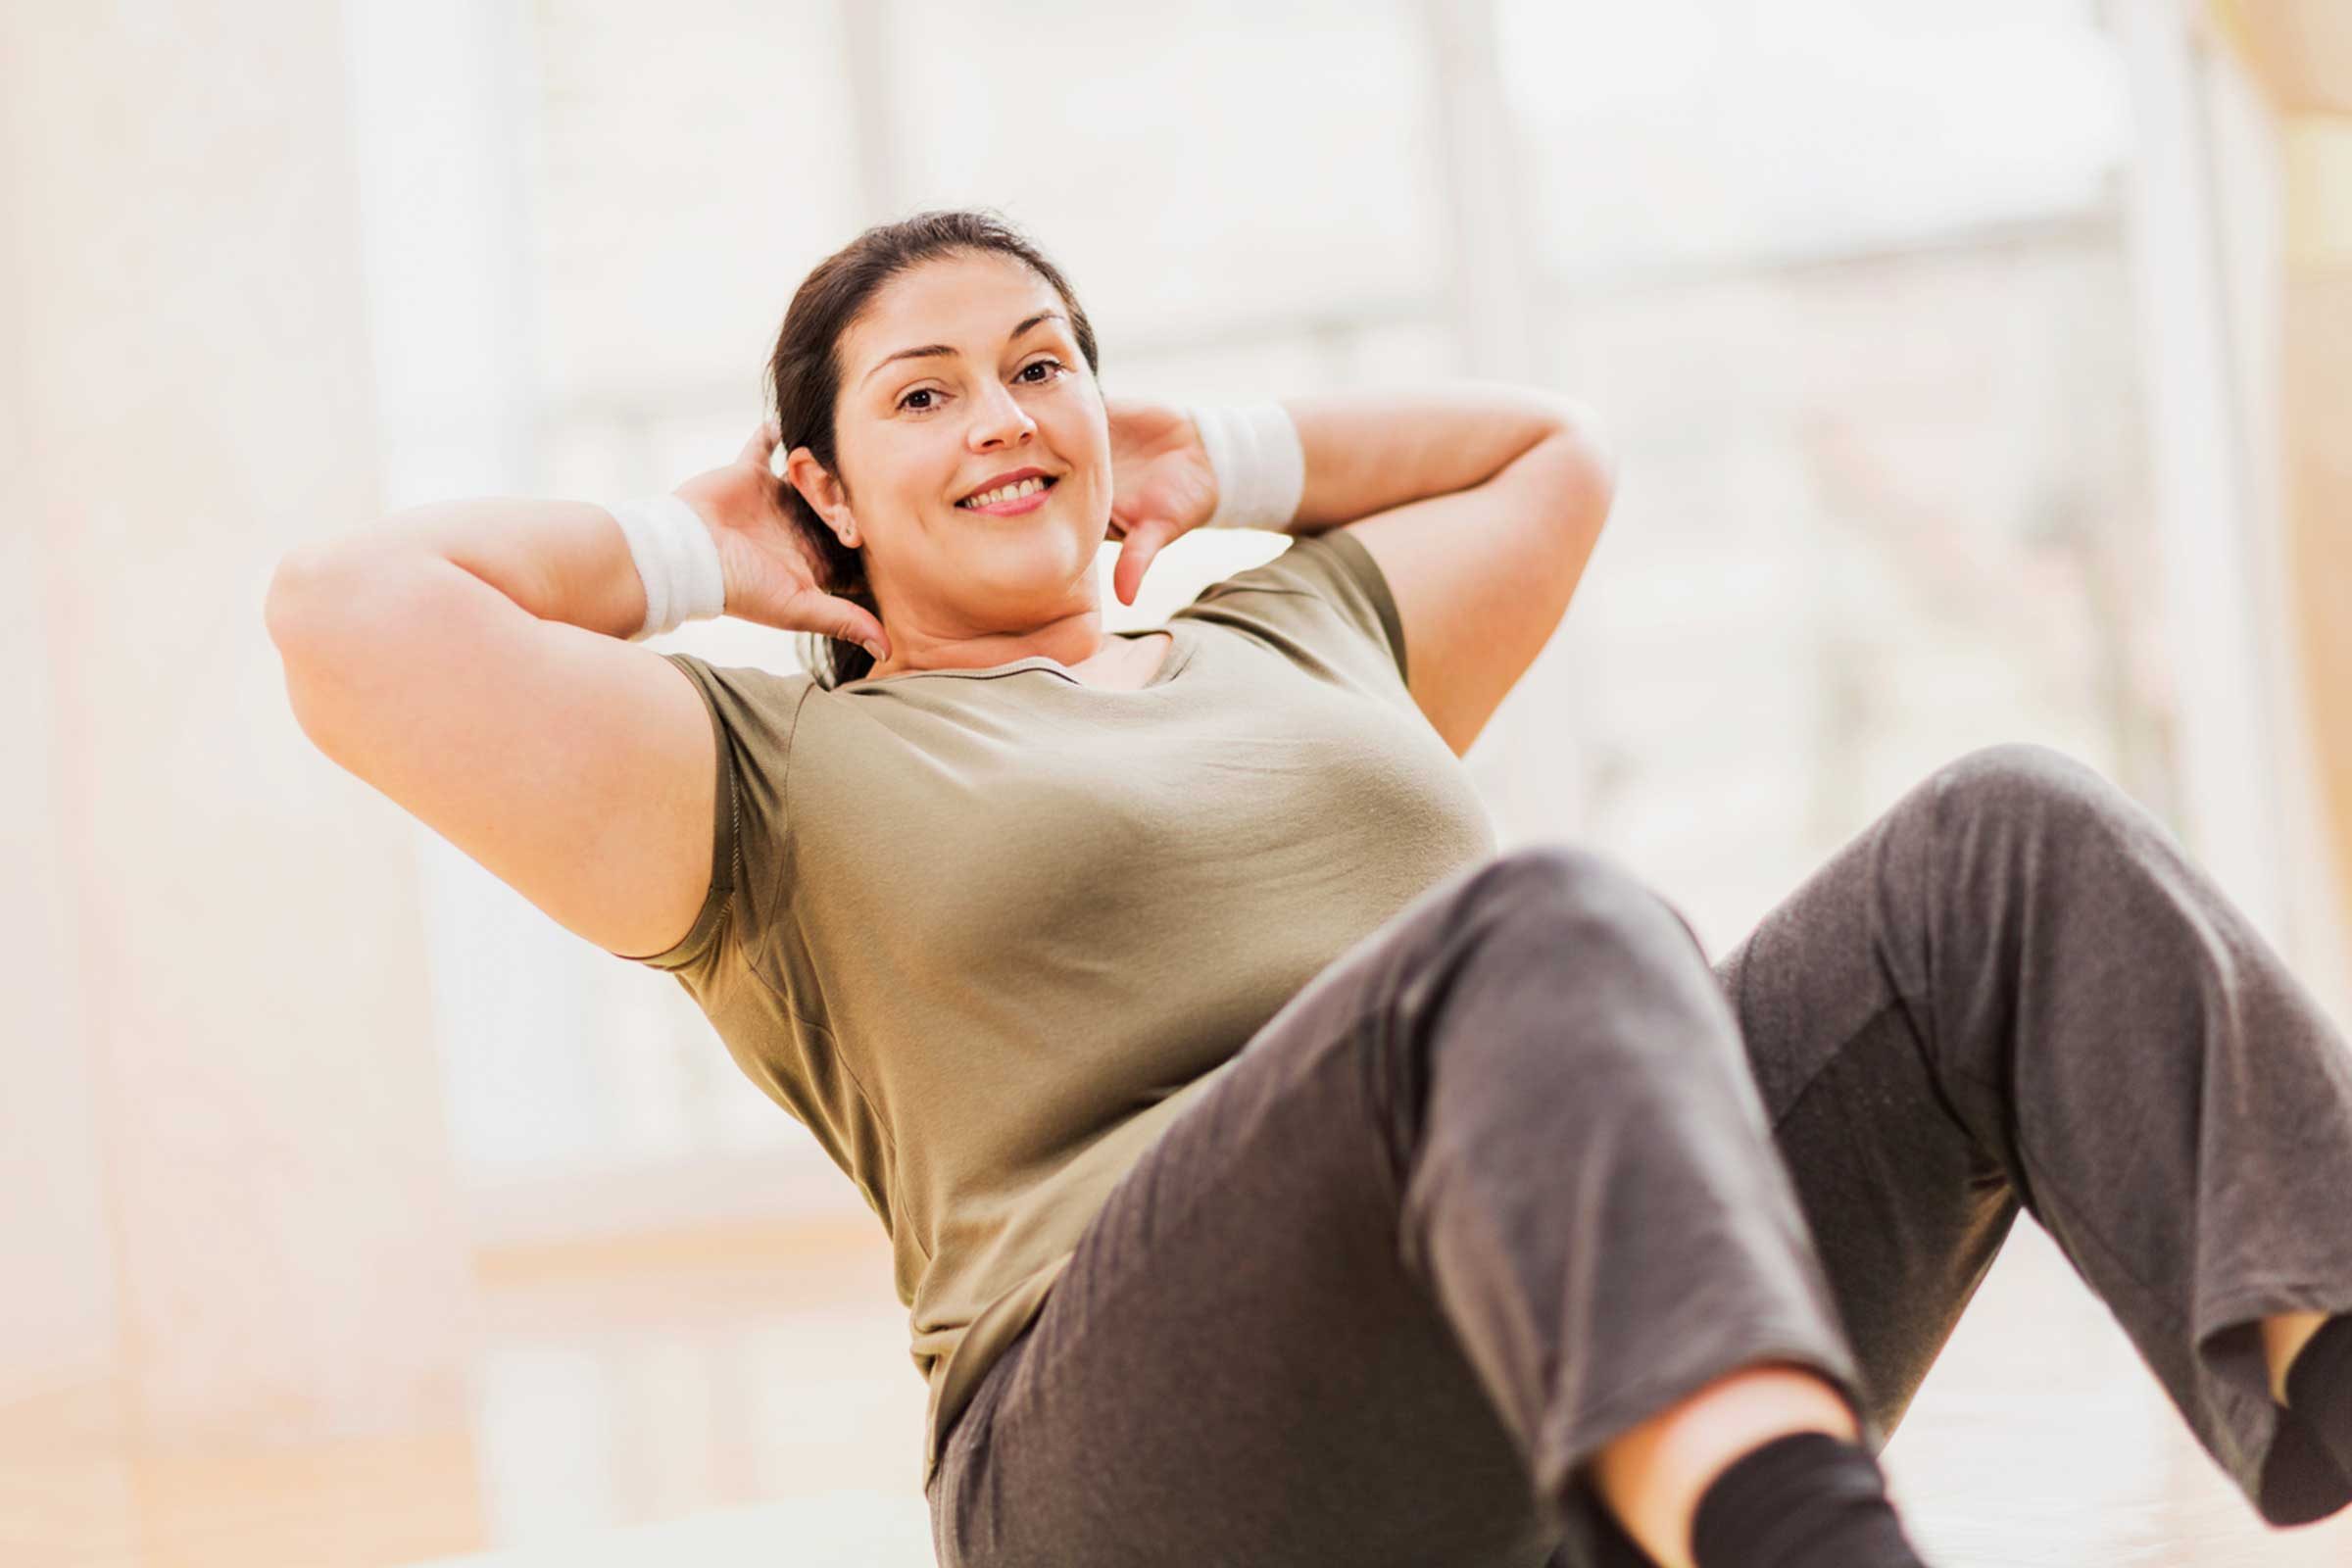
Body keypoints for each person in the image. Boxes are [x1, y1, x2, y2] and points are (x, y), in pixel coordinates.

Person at [264, 208, 2352, 1568]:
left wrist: (1219, 457)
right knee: (1546, 926)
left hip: (1550, 1322)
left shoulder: (1300, 631)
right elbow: (346, 617)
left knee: (2004, 830)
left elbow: (1557, 453)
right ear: (816, 481)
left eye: (1040, 361)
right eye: (921, 395)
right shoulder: (762, 773)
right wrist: (699, 548)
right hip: (1140, 1444)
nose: (1004, 415)